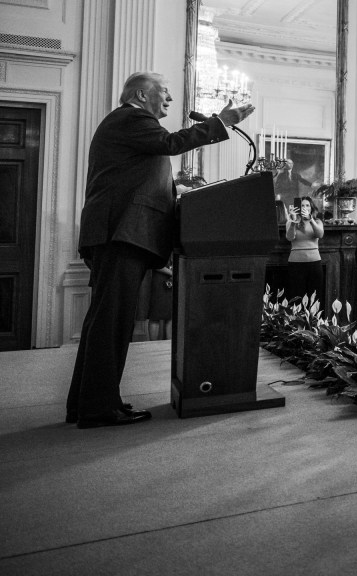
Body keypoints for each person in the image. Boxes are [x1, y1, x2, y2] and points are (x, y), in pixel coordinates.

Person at [68, 72, 253, 428]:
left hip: (118, 232)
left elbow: (133, 177)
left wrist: (174, 186)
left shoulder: (128, 124)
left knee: (104, 322)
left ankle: (86, 402)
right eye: (164, 93)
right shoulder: (133, 117)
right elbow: (171, 143)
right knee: (111, 324)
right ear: (141, 95)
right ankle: (98, 408)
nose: (169, 100)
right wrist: (222, 122)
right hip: (121, 233)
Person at [285, 195, 324, 305]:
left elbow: (320, 234)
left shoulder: (317, 221)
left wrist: (310, 219)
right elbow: (290, 237)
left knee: (315, 296)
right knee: (296, 297)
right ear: (297, 207)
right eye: (302, 205)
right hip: (295, 264)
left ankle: (313, 321)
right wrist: (293, 221)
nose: (305, 208)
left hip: (314, 263)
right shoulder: (290, 221)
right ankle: (296, 321)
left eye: (307, 205)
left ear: (311, 208)